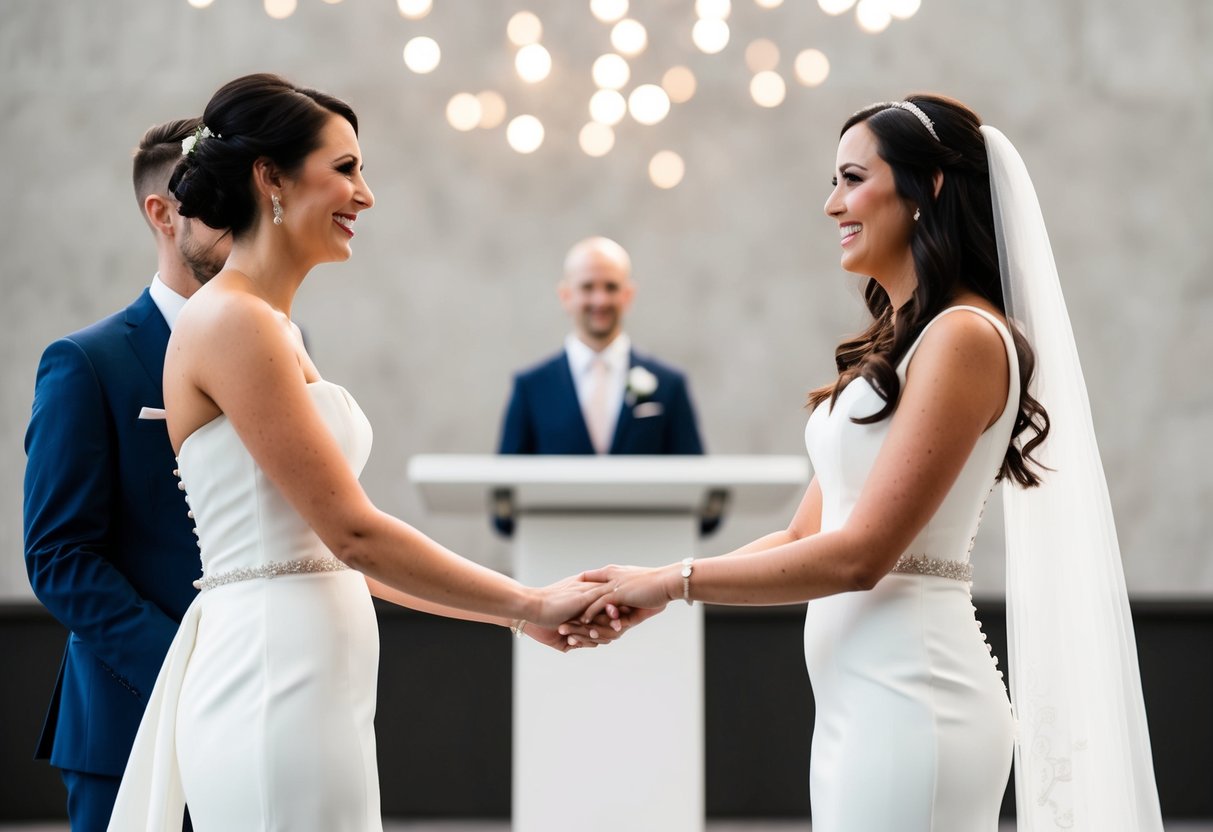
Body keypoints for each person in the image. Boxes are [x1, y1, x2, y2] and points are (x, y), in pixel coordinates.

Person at [581, 95, 1163, 830]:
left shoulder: (964, 338)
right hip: (859, 706)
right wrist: (646, 582)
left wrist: (673, 585)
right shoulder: (901, 344)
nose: (831, 205)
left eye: (851, 178)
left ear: (931, 188)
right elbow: (802, 539)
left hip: (914, 705)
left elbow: (862, 556)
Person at [105, 74, 616, 832]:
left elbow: (332, 553)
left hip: (313, 677)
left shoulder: (270, 328)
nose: (365, 194)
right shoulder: (234, 324)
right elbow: (355, 532)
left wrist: (516, 620)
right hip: (270, 677)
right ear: (268, 177)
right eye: (345, 168)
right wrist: (529, 600)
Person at [22, 117, 231, 832]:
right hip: (131, 715)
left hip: (256, 719)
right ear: (162, 213)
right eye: (222, 199)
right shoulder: (88, 362)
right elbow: (58, 557)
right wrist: (188, 667)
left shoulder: (286, 347)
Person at [496, 236, 711, 534]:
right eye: (587, 287)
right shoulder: (530, 387)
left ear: (628, 294)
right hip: (555, 557)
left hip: (647, 555)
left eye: (610, 287)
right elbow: (502, 505)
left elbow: (701, 498)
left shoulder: (670, 385)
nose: (600, 300)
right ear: (566, 295)